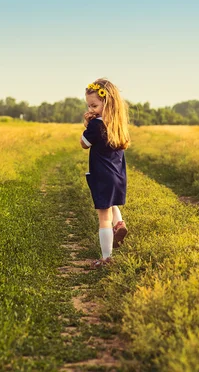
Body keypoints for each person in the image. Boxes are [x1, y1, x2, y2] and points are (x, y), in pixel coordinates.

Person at [80, 78, 130, 268]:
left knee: (103, 219)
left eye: (94, 105)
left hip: (101, 176)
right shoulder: (118, 125)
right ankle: (120, 224)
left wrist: (87, 124)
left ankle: (107, 258)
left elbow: (84, 144)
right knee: (110, 204)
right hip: (118, 176)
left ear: (106, 103)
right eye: (89, 106)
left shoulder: (96, 125)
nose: (91, 109)